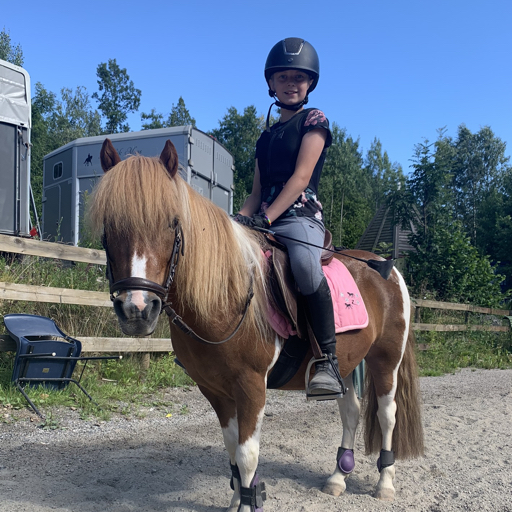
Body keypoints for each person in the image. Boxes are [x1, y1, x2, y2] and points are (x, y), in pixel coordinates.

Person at [234, 37, 343, 399]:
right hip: (263, 218)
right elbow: (254, 193)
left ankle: (328, 360)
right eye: (283, 77)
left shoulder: (315, 120)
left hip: (300, 216)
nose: (291, 83)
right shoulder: (265, 137)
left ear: (310, 83)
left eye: (299, 77)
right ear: (271, 83)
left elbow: (300, 178)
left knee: (305, 267)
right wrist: (237, 221)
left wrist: (266, 219)